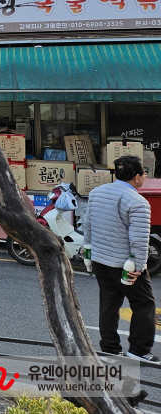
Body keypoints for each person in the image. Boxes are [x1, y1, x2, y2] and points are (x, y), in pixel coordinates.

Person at [85, 155, 158, 363]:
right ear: (137, 177)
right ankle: (139, 350)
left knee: (109, 303)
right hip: (124, 263)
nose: (145, 177)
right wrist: (139, 266)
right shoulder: (138, 202)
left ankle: (110, 349)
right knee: (144, 304)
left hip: (100, 260)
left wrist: (88, 251)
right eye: (144, 174)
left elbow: (88, 224)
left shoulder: (97, 192)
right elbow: (139, 239)